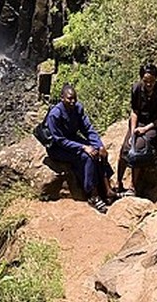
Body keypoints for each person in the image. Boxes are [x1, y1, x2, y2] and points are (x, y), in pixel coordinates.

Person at [46, 84, 113, 214]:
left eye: (74, 99)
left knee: (98, 152)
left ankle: (107, 188)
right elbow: (60, 140)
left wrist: (99, 145)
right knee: (86, 157)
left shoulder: (77, 108)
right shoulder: (55, 115)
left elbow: (87, 128)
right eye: (69, 99)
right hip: (58, 147)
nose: (72, 102)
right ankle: (92, 194)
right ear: (62, 98)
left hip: (72, 139)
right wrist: (83, 147)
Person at [116, 62, 157, 197]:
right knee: (126, 147)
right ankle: (118, 182)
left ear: (156, 79)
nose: (148, 84)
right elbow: (135, 111)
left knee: (139, 147)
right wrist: (134, 129)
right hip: (140, 121)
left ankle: (133, 186)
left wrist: (146, 128)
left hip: (156, 123)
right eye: (146, 81)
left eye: (151, 81)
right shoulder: (136, 88)